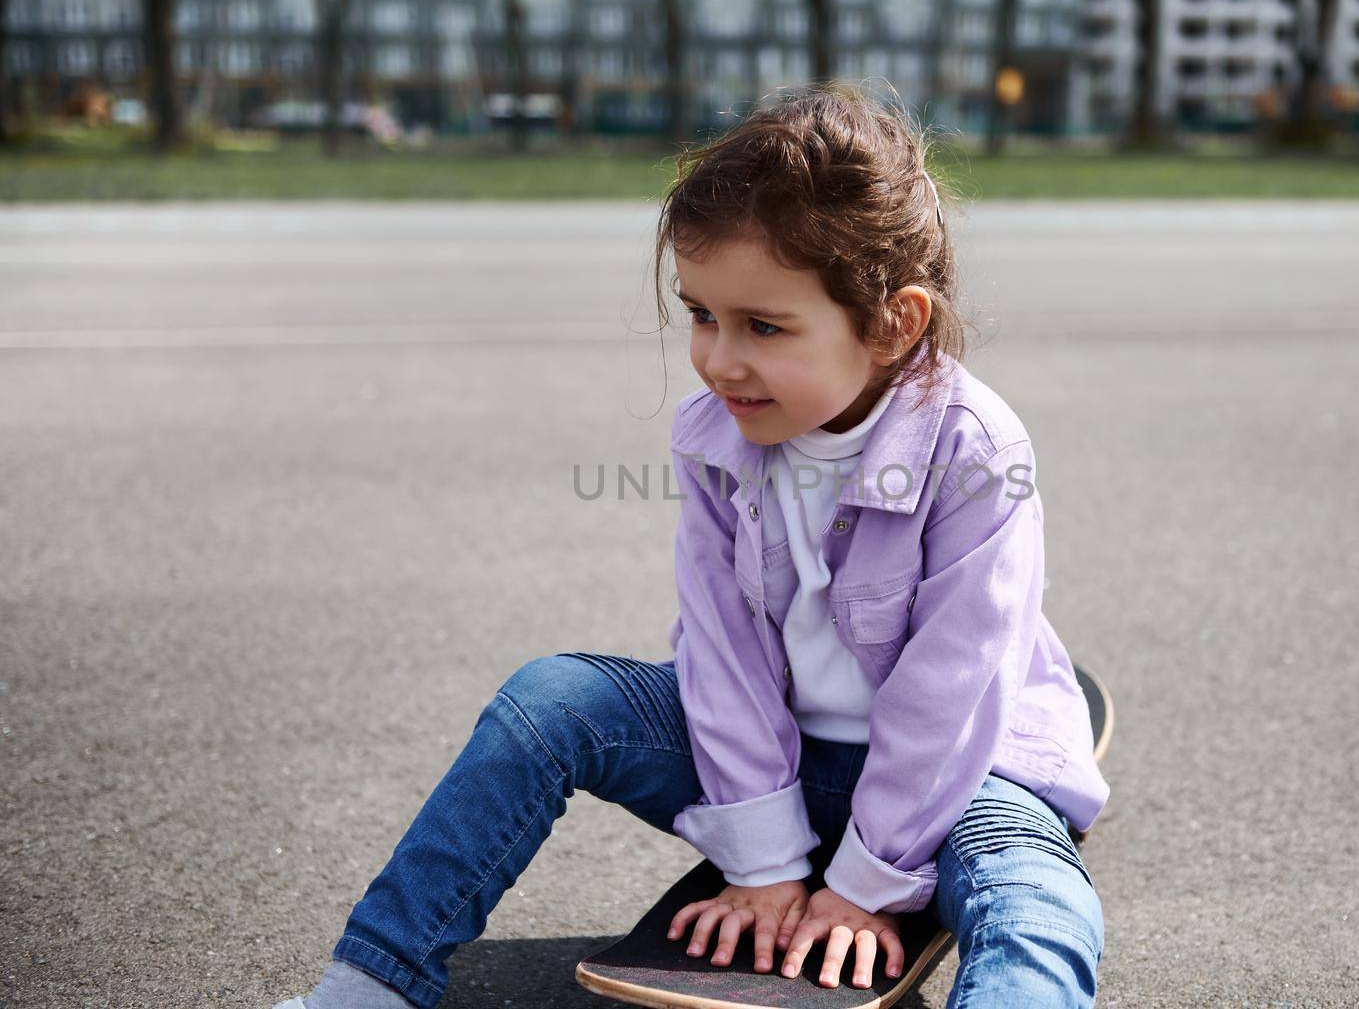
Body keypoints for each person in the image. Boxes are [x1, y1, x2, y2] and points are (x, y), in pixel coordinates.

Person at [275, 82, 1110, 1009]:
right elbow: (721, 650)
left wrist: (863, 887)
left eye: (764, 326)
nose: (718, 359)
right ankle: (368, 983)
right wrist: (764, 864)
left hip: (961, 780)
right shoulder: (717, 433)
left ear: (892, 324)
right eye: (702, 315)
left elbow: (953, 693)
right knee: (551, 698)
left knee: (1037, 906)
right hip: (778, 759)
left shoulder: (976, 453)